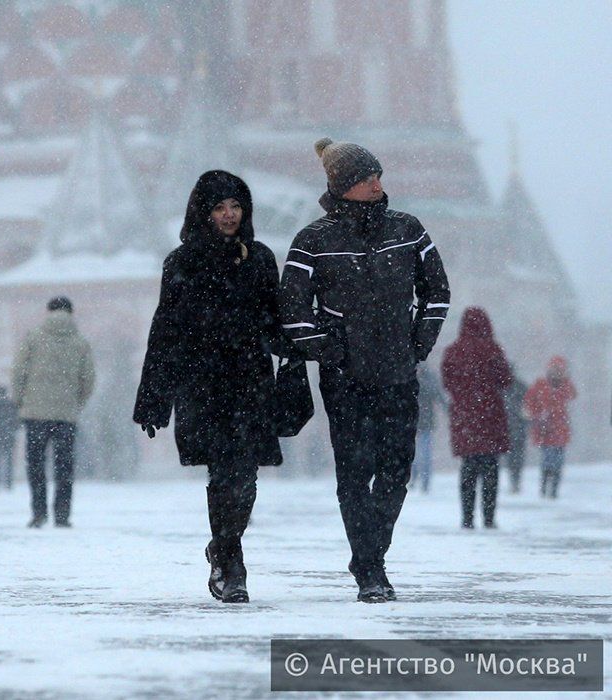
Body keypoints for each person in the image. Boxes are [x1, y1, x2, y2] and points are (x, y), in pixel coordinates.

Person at [279, 139, 450, 603]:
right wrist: (328, 350)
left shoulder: (408, 230)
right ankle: (371, 572)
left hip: (398, 372)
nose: (376, 183)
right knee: (354, 474)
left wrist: (419, 342)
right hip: (345, 380)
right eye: (364, 178)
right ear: (341, 186)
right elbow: (292, 306)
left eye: (377, 175)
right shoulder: (313, 240)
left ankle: (369, 553)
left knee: (397, 471)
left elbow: (437, 291)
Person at [135, 170, 290, 604]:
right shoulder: (181, 263)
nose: (229, 215)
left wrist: (299, 346)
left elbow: (274, 320)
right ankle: (231, 563)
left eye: (236, 207)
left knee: (246, 479)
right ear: (203, 212)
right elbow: (165, 330)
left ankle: (222, 545)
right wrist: (153, 399)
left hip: (250, 382)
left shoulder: (259, 258)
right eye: (220, 208)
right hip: (202, 385)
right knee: (223, 475)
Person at [13, 296, 95, 529]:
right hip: (66, 415)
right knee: (64, 466)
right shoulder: (80, 342)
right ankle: (62, 514)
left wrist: (21, 401)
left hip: (35, 413)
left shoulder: (33, 338)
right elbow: (88, 379)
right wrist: (76, 402)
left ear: (48, 312)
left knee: (36, 465)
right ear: (71, 312)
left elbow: (18, 371)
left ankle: (39, 513)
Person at [441, 308, 513, 529]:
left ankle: (467, 517)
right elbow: (506, 380)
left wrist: (465, 397)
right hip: (490, 417)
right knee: (491, 469)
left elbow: (447, 383)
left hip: (465, 419)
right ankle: (489, 518)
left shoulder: (453, 351)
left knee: (468, 469)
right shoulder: (492, 350)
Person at [524, 356, 577, 499]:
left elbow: (573, 395)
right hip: (545, 429)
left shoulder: (564, 386)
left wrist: (566, 381)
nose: (557, 372)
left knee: (558, 461)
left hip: (560, 429)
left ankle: (553, 488)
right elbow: (529, 401)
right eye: (555, 369)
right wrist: (537, 415)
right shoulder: (540, 385)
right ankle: (545, 485)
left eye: (560, 370)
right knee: (548, 459)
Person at [411, 364, 444, 493]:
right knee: (418, 455)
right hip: (417, 422)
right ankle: (416, 480)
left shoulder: (425, 379)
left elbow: (436, 395)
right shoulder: (427, 379)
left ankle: (422, 482)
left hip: (421, 423)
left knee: (422, 455)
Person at [503, 368, 530, 494]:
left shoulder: (502, 388)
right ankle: (515, 480)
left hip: (512, 428)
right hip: (514, 428)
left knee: (514, 457)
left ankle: (515, 480)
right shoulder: (520, 387)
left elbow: (529, 406)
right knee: (516, 457)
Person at [0, 386, 19, 490]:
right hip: (9, 435)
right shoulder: (10, 404)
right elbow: (16, 419)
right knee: (8, 460)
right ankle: (8, 482)